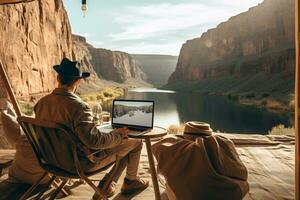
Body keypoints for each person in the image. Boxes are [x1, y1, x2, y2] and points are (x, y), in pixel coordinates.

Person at [34, 58, 149, 198]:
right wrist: (117, 135)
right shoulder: (78, 106)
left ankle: (108, 185)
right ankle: (128, 181)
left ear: (58, 78)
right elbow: (94, 142)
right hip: (79, 164)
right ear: (78, 81)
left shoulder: (41, 103)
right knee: (135, 143)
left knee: (124, 146)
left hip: (50, 161)